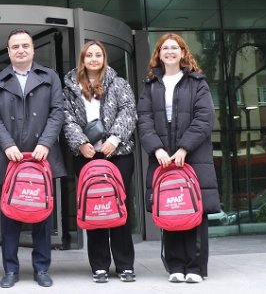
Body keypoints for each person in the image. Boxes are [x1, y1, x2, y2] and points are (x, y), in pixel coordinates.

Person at [136, 33, 219, 284]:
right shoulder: (151, 85)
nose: (170, 52)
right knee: (170, 208)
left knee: (195, 210)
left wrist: (184, 148)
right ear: (158, 54)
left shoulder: (197, 82)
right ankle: (175, 265)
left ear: (183, 52)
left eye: (174, 48)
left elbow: (205, 119)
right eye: (165, 48)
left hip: (193, 156)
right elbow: (144, 120)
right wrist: (157, 150)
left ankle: (195, 267)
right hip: (163, 157)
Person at [0, 29, 65, 289]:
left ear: (33, 49)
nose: (20, 50)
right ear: (8, 51)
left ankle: (41, 268)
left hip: (41, 156)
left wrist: (46, 143)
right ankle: (10, 269)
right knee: (10, 216)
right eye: (15, 46)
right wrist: (7, 145)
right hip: (10, 158)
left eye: (25, 46)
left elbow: (57, 112)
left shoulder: (49, 76)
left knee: (42, 216)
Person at [62, 40, 137, 283]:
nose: (94, 59)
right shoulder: (70, 87)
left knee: (119, 206)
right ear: (82, 59)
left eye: (98, 55)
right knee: (95, 208)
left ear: (104, 58)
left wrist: (114, 139)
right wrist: (81, 143)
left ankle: (125, 264)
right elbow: (67, 118)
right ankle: (100, 265)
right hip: (86, 156)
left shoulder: (119, 83)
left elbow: (129, 111)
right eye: (89, 55)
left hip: (118, 155)